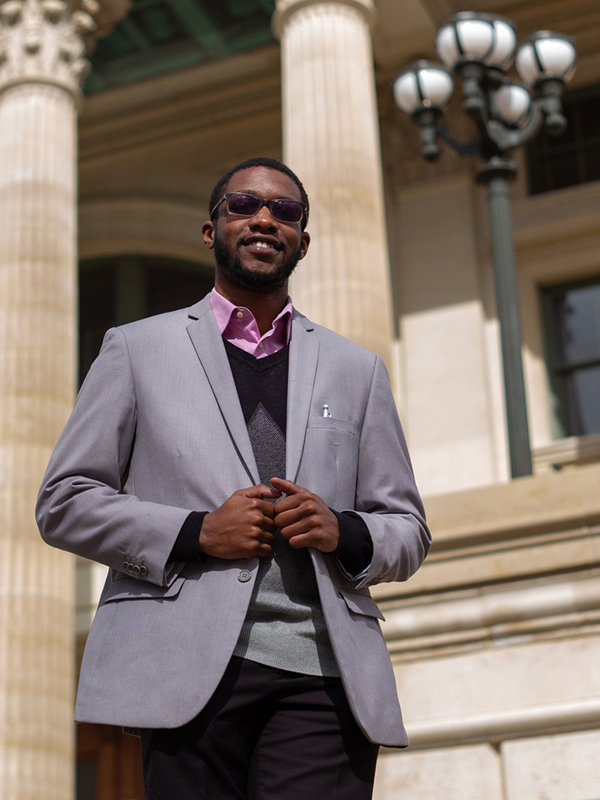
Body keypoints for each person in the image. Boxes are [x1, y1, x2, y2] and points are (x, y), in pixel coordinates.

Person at [36, 156, 431, 800]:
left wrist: (344, 530)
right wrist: (197, 531)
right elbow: (64, 502)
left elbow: (408, 531)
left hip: (325, 674)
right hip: (183, 670)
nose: (265, 218)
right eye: (244, 204)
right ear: (210, 229)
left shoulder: (356, 370)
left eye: (287, 211)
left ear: (303, 240)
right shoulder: (136, 349)